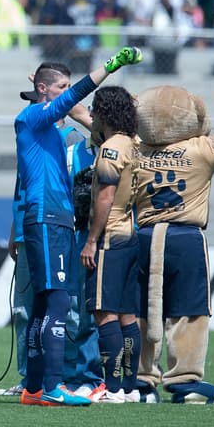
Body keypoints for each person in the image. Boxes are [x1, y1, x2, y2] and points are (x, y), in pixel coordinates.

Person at [14, 47, 143, 407]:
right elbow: (71, 100)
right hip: (46, 217)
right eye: (62, 87)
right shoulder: (32, 118)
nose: (68, 93)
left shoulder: (48, 128)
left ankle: (35, 388)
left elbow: (93, 122)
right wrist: (110, 68)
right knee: (57, 302)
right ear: (43, 89)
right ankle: (54, 386)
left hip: (53, 217)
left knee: (43, 305)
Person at [131, 93, 214, 404]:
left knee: (140, 311)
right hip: (185, 238)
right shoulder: (204, 149)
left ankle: (139, 379)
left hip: (144, 236)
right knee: (189, 309)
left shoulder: (136, 150)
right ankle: (184, 380)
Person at [77, 86, 142, 403]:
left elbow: (104, 197)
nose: (91, 114)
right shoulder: (132, 143)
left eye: (95, 109)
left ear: (105, 112)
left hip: (109, 237)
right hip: (131, 235)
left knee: (105, 314)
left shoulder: (111, 150)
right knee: (128, 315)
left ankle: (112, 387)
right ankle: (129, 388)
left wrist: (91, 240)